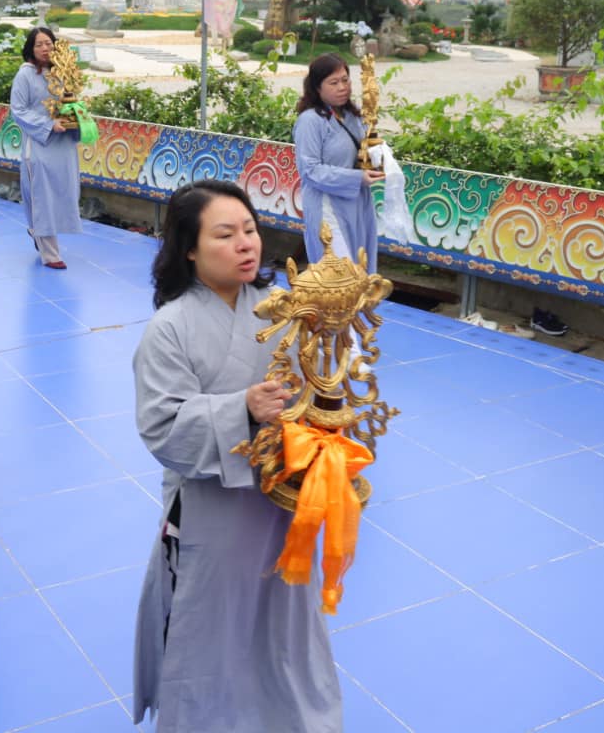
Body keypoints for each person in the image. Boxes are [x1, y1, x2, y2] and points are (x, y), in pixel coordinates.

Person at [131, 180, 341, 732]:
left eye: (249, 229)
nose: (245, 243)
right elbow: (161, 427)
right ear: (189, 249)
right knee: (212, 631)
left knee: (284, 625)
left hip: (280, 501)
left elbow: (315, 391)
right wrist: (241, 409)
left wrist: (327, 397)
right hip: (212, 511)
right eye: (224, 235)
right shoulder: (169, 330)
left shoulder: (281, 310)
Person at [292, 53, 382, 272]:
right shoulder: (310, 121)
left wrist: (377, 158)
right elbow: (310, 170)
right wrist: (357, 178)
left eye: (345, 80)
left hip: (357, 204)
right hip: (327, 207)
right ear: (317, 88)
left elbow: (363, 150)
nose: (342, 87)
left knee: (361, 268)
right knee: (340, 274)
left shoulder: (353, 115)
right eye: (333, 83)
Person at [9, 26, 82, 269]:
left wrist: (77, 118)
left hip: (63, 145)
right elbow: (18, 110)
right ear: (31, 48)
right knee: (41, 197)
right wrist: (49, 125)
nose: (44, 48)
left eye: (48, 43)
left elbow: (72, 102)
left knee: (62, 192)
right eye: (39, 44)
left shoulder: (63, 73)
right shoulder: (25, 75)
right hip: (40, 143)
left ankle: (36, 230)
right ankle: (50, 254)